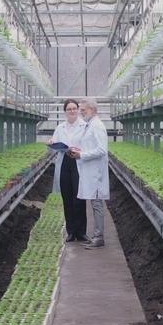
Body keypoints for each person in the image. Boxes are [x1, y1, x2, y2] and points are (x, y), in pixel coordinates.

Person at [69, 98, 109, 250]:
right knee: (94, 203)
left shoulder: (97, 126)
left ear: (92, 109)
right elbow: (91, 146)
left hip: (96, 173)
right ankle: (96, 236)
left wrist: (82, 155)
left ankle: (99, 238)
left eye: (83, 110)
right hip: (91, 171)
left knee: (97, 204)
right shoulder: (91, 125)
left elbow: (101, 150)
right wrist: (80, 150)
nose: (81, 113)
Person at [47, 100, 89, 243]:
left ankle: (81, 232)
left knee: (79, 197)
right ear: (65, 112)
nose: (72, 111)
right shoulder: (60, 128)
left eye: (74, 108)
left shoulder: (85, 126)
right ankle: (71, 231)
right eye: (69, 109)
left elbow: (89, 145)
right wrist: (51, 144)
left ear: (78, 110)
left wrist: (79, 150)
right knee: (67, 197)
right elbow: (52, 146)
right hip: (65, 161)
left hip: (78, 161)